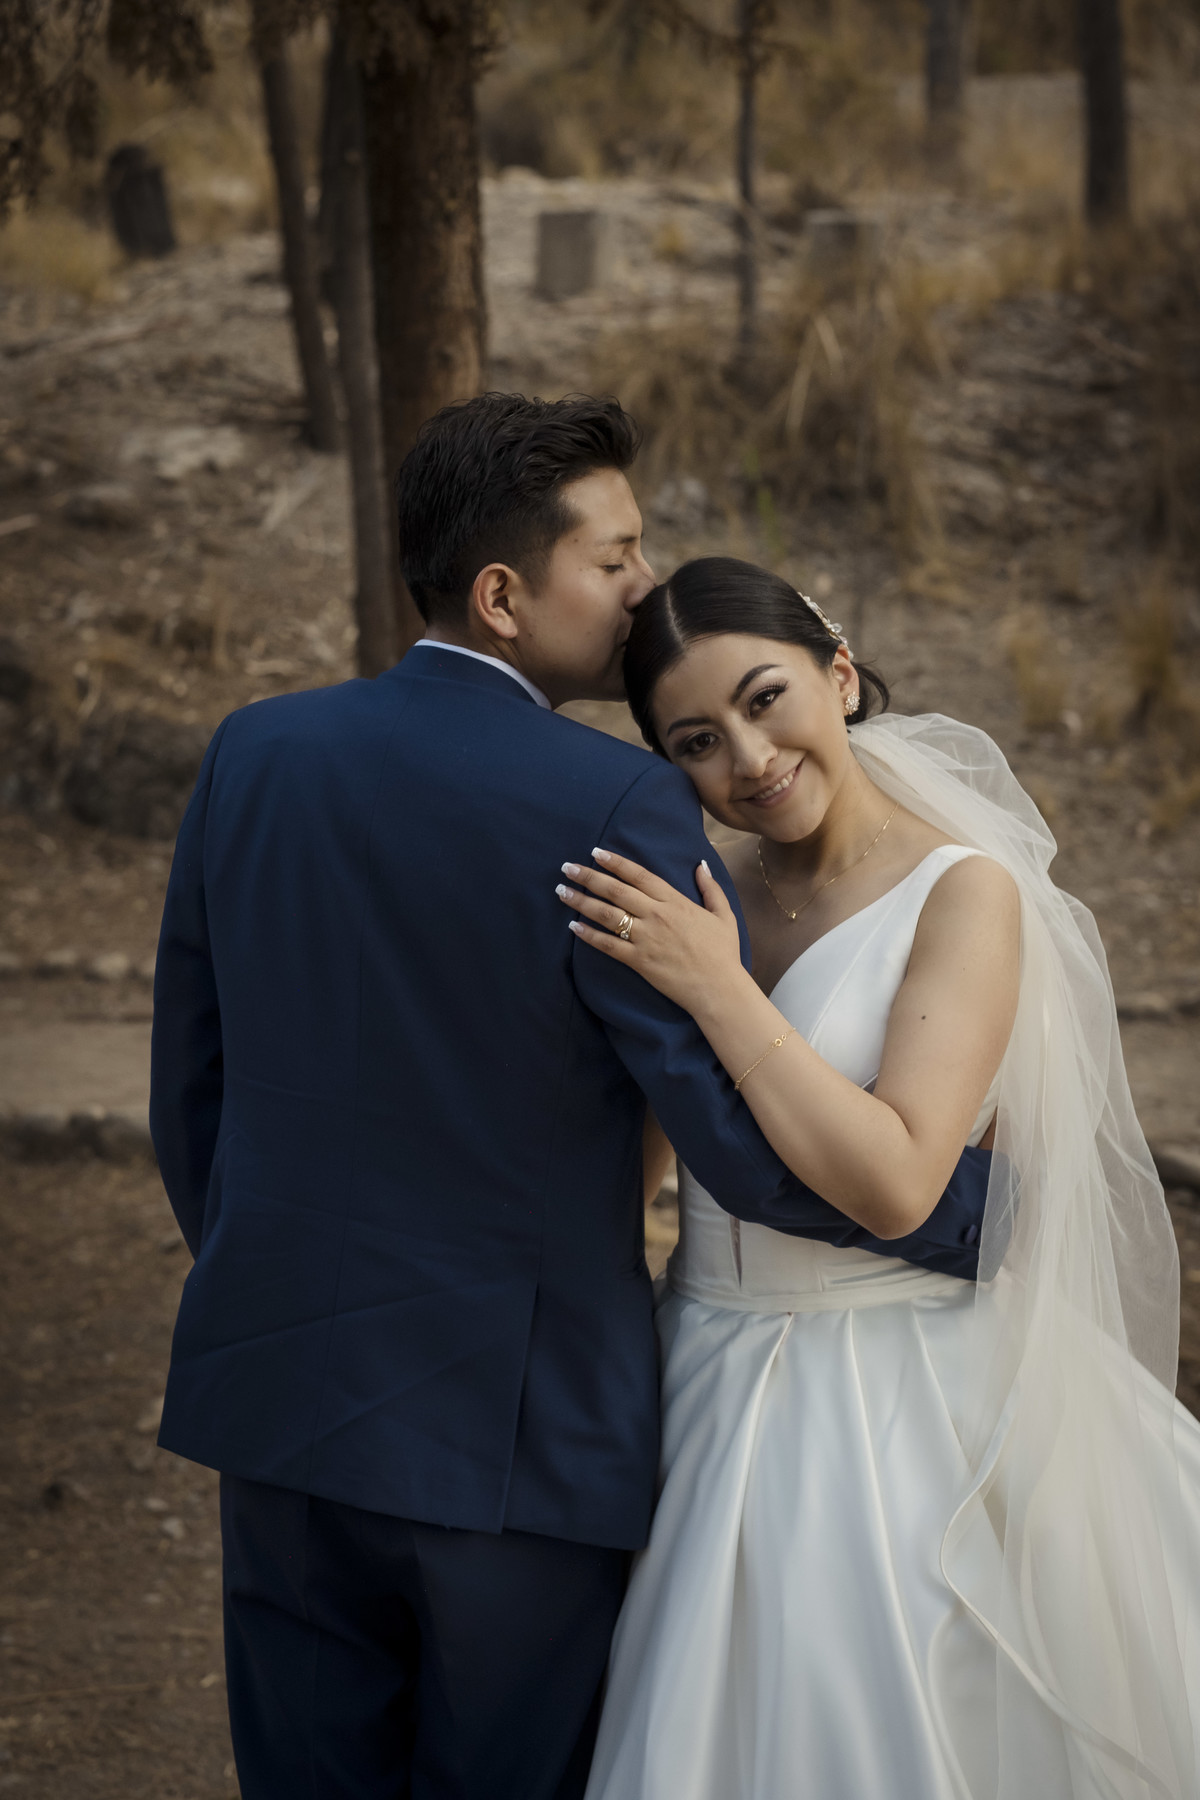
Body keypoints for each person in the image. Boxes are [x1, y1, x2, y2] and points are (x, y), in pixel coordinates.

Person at [148, 400, 991, 1800]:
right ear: (503, 595)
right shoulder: (612, 804)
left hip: (281, 1404)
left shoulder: (256, 751)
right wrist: (967, 1212)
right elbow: (721, 1128)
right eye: (617, 557)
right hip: (514, 1444)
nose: (645, 588)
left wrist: (275, 1280)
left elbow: (193, 1086)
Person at [555, 556, 1200, 1800]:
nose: (746, 757)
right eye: (696, 739)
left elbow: (903, 1180)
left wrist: (717, 989)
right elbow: (647, 1153)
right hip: (699, 1360)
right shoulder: (711, 898)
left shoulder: (963, 893)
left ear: (838, 676)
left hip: (893, 1376)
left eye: (765, 699)